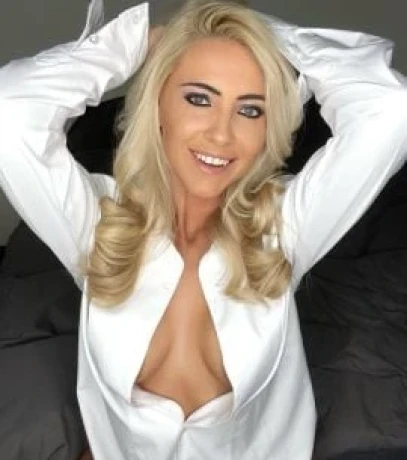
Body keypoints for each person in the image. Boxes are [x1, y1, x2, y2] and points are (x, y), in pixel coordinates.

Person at [0, 0, 406, 458]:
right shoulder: (97, 225)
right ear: (157, 104)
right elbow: (9, 112)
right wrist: (139, 44)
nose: (221, 135)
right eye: (199, 99)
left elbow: (391, 110)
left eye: (250, 110)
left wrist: (270, 38)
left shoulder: (285, 226)